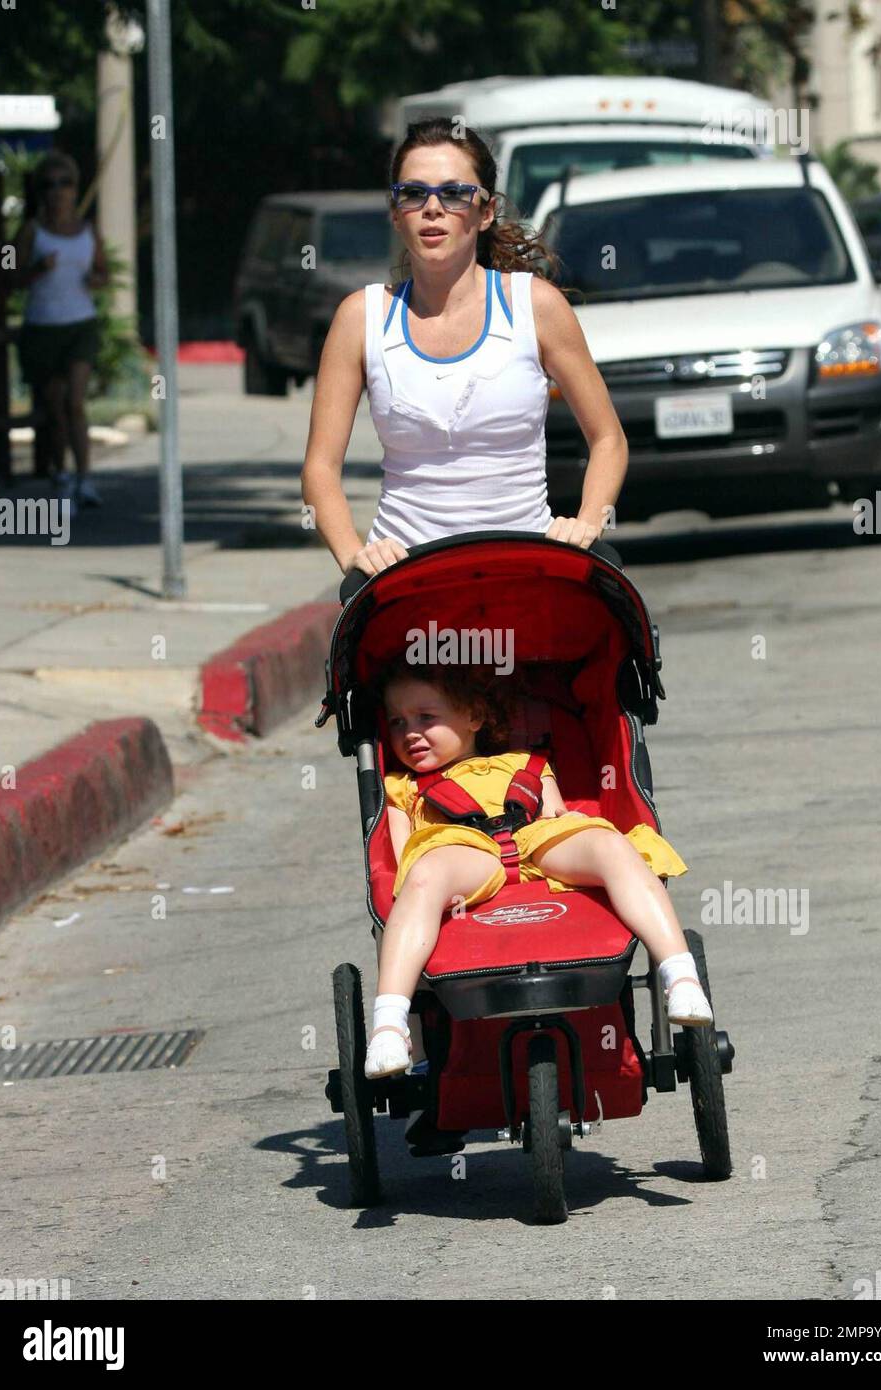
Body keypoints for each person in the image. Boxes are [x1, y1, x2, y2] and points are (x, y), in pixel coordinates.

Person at [300, 116, 629, 584]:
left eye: (453, 194)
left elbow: (608, 439)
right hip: (406, 585)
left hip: (528, 573)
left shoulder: (534, 306)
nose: (432, 209)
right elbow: (319, 467)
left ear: (485, 211)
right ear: (396, 213)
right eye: (413, 194)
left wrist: (587, 523)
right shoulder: (361, 317)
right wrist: (355, 554)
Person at [365, 657, 713, 1080]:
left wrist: (582, 838)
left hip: (535, 838)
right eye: (397, 722)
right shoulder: (402, 788)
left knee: (611, 844)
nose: (410, 733)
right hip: (460, 852)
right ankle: (389, 1022)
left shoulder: (525, 762)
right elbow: (405, 862)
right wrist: (423, 884)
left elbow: (556, 817)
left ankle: (679, 975)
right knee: (423, 876)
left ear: (474, 716)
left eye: (426, 717)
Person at [11, 152, 109, 510]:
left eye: (64, 183)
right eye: (49, 185)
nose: (57, 192)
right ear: (41, 192)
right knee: (53, 405)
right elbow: (11, 274)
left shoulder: (88, 230)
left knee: (76, 401)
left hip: (79, 324)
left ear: (74, 188)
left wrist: (95, 279)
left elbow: (104, 272)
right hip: (43, 325)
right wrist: (37, 269)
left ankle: (86, 478)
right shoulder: (30, 231)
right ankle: (62, 474)